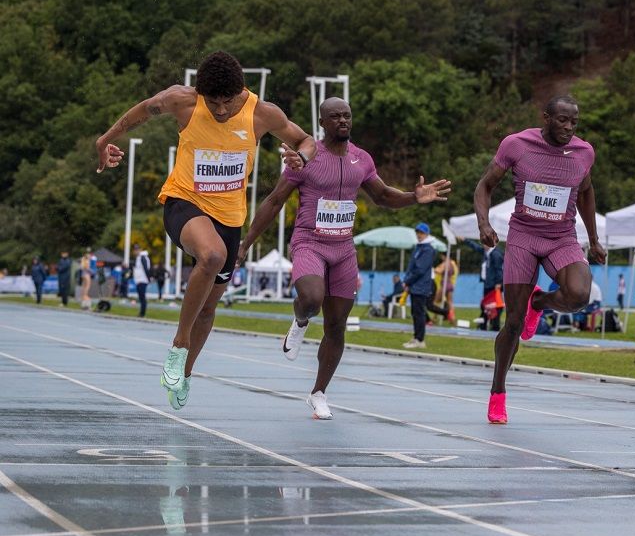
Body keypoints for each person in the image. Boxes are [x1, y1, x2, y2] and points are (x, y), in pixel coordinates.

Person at [95, 51, 316, 410]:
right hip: (184, 203)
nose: (221, 111)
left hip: (230, 217)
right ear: (201, 93)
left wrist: (301, 157)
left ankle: (186, 372)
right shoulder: (182, 101)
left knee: (210, 307)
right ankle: (178, 346)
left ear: (239, 92)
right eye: (213, 103)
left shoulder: (263, 113)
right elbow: (141, 111)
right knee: (211, 255)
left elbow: (307, 140)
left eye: (227, 103)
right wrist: (103, 141)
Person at [238, 97, 449, 418]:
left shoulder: (361, 159)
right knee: (310, 297)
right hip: (310, 242)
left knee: (337, 327)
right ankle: (300, 320)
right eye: (335, 117)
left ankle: (319, 393)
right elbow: (274, 200)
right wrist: (246, 243)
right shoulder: (305, 159)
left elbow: (382, 196)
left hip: (343, 249)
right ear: (322, 123)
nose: (343, 122)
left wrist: (413, 197)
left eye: (347, 116)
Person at [473, 95, 607, 424]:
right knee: (513, 323)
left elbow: (587, 192)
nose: (568, 127)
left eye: (574, 122)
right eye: (562, 120)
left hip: (561, 237)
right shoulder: (517, 145)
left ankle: (541, 301)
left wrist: (593, 239)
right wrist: (484, 223)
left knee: (579, 295)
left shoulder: (583, 152)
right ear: (546, 118)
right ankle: (498, 392)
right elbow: (485, 185)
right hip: (523, 237)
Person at [402, 223, 437, 349]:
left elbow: (420, 270)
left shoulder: (428, 249)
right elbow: (412, 266)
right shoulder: (419, 247)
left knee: (419, 313)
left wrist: (408, 281)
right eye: (417, 232)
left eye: (421, 233)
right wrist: (406, 281)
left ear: (427, 234)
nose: (419, 235)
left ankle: (420, 340)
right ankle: (416, 337)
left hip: (421, 286)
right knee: (415, 313)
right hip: (415, 285)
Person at [459, 236, 505, 330]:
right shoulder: (486, 252)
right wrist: (465, 240)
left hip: (494, 285)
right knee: (486, 305)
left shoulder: (496, 254)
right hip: (488, 283)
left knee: (493, 306)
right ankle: (484, 324)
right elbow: (476, 247)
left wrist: (498, 283)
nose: (484, 245)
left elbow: (499, 270)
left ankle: (492, 326)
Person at [133, 243, 152, 317]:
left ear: (140, 249)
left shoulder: (142, 257)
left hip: (142, 280)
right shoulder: (139, 257)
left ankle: (142, 313)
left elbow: (146, 268)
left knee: (142, 297)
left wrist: (148, 279)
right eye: (135, 249)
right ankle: (141, 312)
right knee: (141, 297)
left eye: (137, 249)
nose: (136, 251)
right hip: (139, 280)